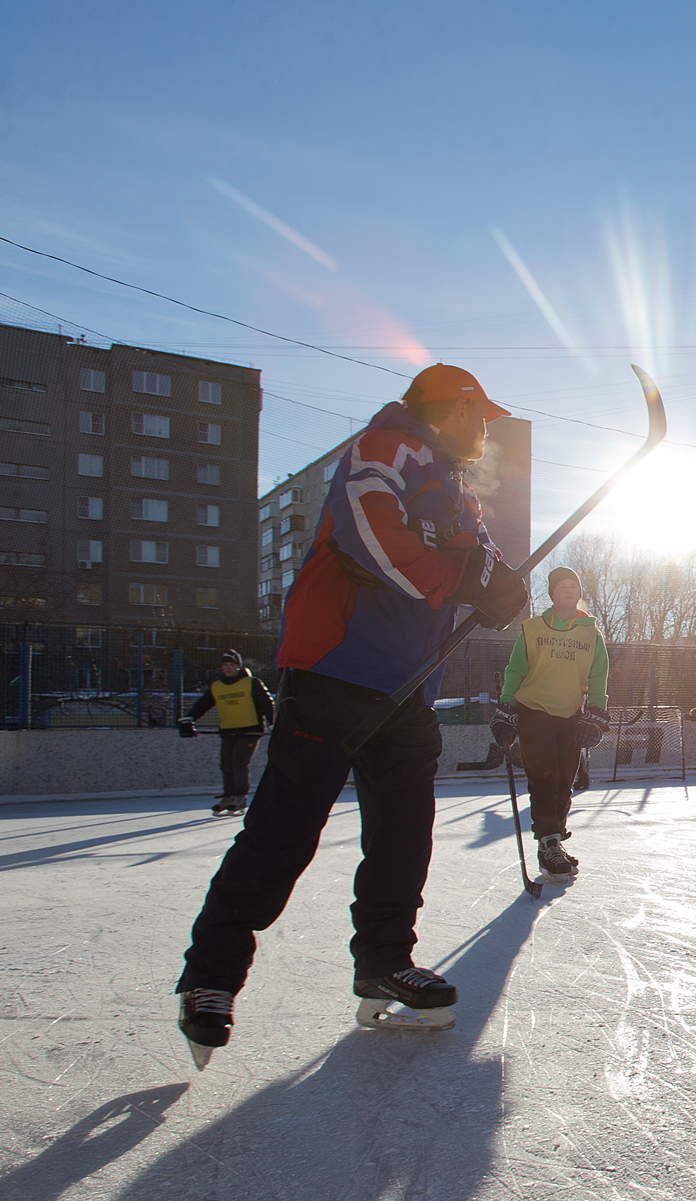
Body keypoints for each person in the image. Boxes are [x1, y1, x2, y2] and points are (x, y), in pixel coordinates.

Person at [172, 364, 528, 1068]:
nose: (485, 428)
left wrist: (501, 588)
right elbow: (372, 536)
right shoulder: (384, 448)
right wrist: (463, 578)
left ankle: (384, 961)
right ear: (452, 407)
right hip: (336, 671)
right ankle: (209, 976)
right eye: (478, 413)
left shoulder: (461, 495)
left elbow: (479, 568)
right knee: (283, 832)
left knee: (403, 835)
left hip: (409, 688)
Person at [491, 566, 609, 882]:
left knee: (564, 783)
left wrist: (596, 713)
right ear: (552, 594)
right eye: (562, 587)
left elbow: (598, 678)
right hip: (534, 712)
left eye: (573, 586)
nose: (568, 591)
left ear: (579, 592)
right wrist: (507, 707)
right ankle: (548, 842)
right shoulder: (532, 629)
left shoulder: (591, 633)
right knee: (545, 778)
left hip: (570, 716)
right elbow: (516, 670)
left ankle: (554, 838)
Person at [178, 648, 274, 816]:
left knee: (239, 763)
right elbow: (202, 705)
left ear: (238, 666)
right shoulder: (217, 687)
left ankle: (240, 798)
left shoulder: (251, 683)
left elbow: (267, 703)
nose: (228, 668)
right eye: (225, 665)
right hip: (228, 730)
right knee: (226, 765)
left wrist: (273, 723)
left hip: (250, 730)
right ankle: (228, 797)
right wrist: (189, 719)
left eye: (232, 664)